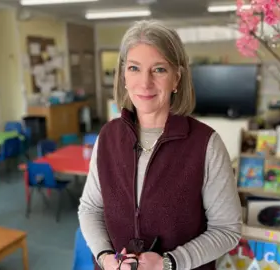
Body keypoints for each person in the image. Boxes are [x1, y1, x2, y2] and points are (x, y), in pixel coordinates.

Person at [78, 20, 242, 270]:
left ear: (177, 78)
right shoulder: (107, 137)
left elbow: (227, 230)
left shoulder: (206, 144)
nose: (145, 83)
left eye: (159, 70)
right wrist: (106, 259)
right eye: (134, 68)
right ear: (123, 75)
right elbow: (90, 209)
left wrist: (168, 263)